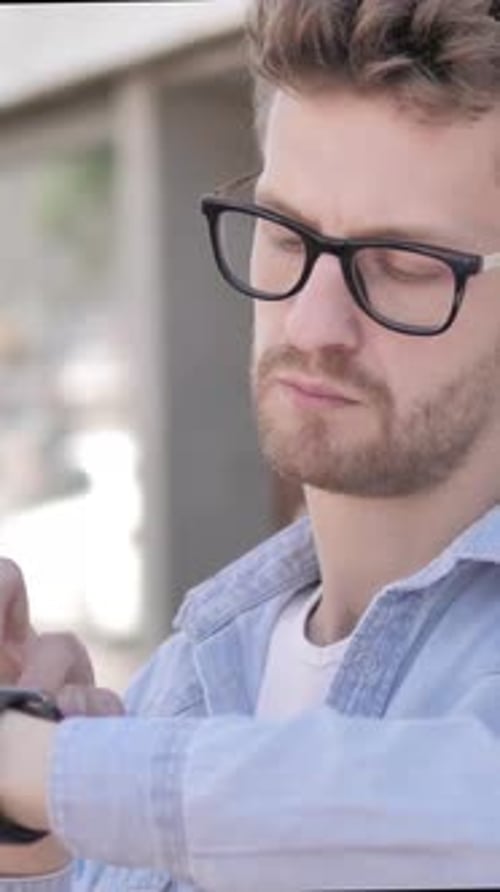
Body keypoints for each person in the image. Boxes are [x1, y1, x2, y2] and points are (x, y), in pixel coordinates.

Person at [2, 0, 500, 888]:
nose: (313, 323)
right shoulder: (180, 679)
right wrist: (34, 850)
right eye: (284, 235)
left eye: (406, 264)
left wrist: (44, 775)